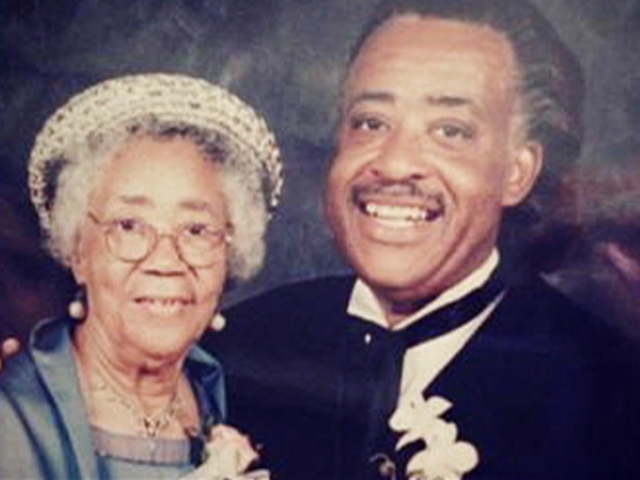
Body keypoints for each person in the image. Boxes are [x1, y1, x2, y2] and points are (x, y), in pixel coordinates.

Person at [200, 1, 640, 479]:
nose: (393, 164)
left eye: (450, 131)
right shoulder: (232, 353)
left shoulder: (614, 397)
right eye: (371, 123)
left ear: (517, 172)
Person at [0, 72, 282, 479]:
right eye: (129, 226)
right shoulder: (14, 418)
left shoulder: (218, 390)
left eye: (196, 229)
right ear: (78, 251)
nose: (165, 261)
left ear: (228, 254)